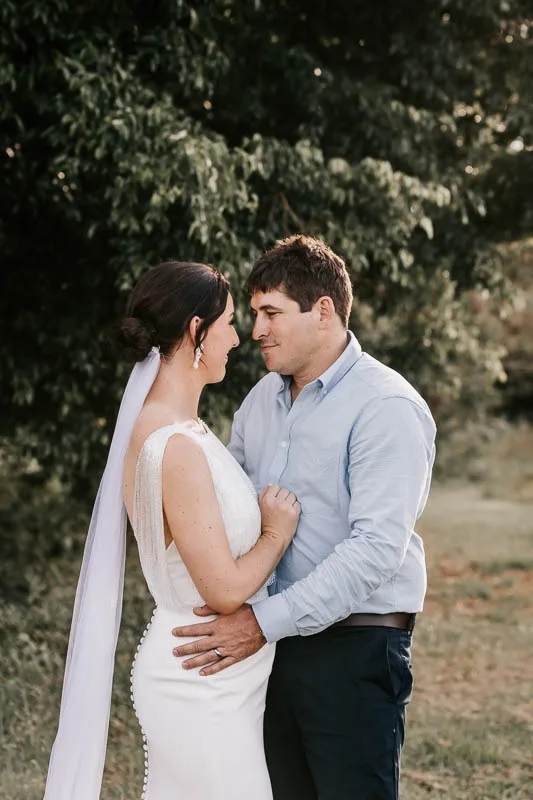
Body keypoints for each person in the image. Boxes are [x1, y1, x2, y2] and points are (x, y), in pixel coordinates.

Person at [172, 236, 437, 800]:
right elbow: (228, 510)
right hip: (270, 652)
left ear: (323, 312)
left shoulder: (385, 406)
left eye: (271, 313)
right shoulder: (259, 401)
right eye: (254, 314)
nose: (257, 330)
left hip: (355, 651)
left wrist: (260, 622)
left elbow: (374, 552)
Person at [43, 261, 300, 800]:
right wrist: (276, 533)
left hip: (220, 680)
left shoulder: (184, 429)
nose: (239, 337)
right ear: (195, 331)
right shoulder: (174, 445)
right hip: (200, 681)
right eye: (229, 322)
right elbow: (224, 590)